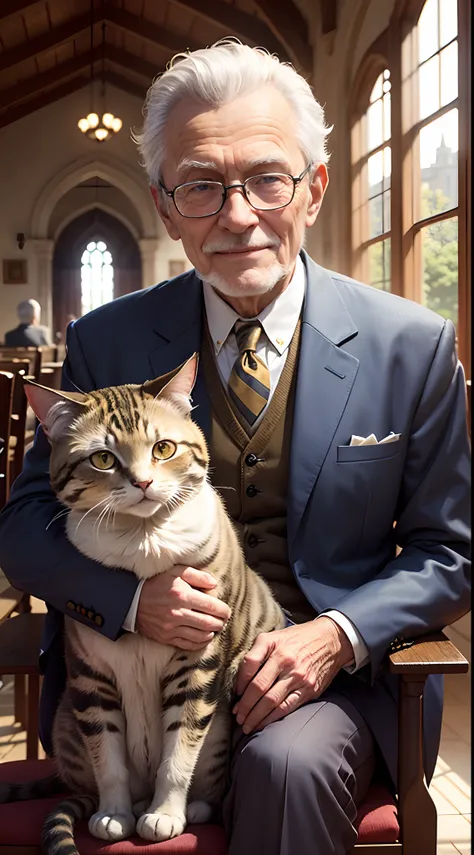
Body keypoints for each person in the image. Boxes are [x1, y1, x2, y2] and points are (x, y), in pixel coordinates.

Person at [0, 41, 470, 855]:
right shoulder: (106, 341)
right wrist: (125, 602)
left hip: (333, 689)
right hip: (132, 687)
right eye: (202, 186)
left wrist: (334, 635)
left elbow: (450, 552)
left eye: (267, 178)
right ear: (165, 204)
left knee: (284, 767)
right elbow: (22, 528)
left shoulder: (412, 344)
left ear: (315, 188)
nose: (238, 213)